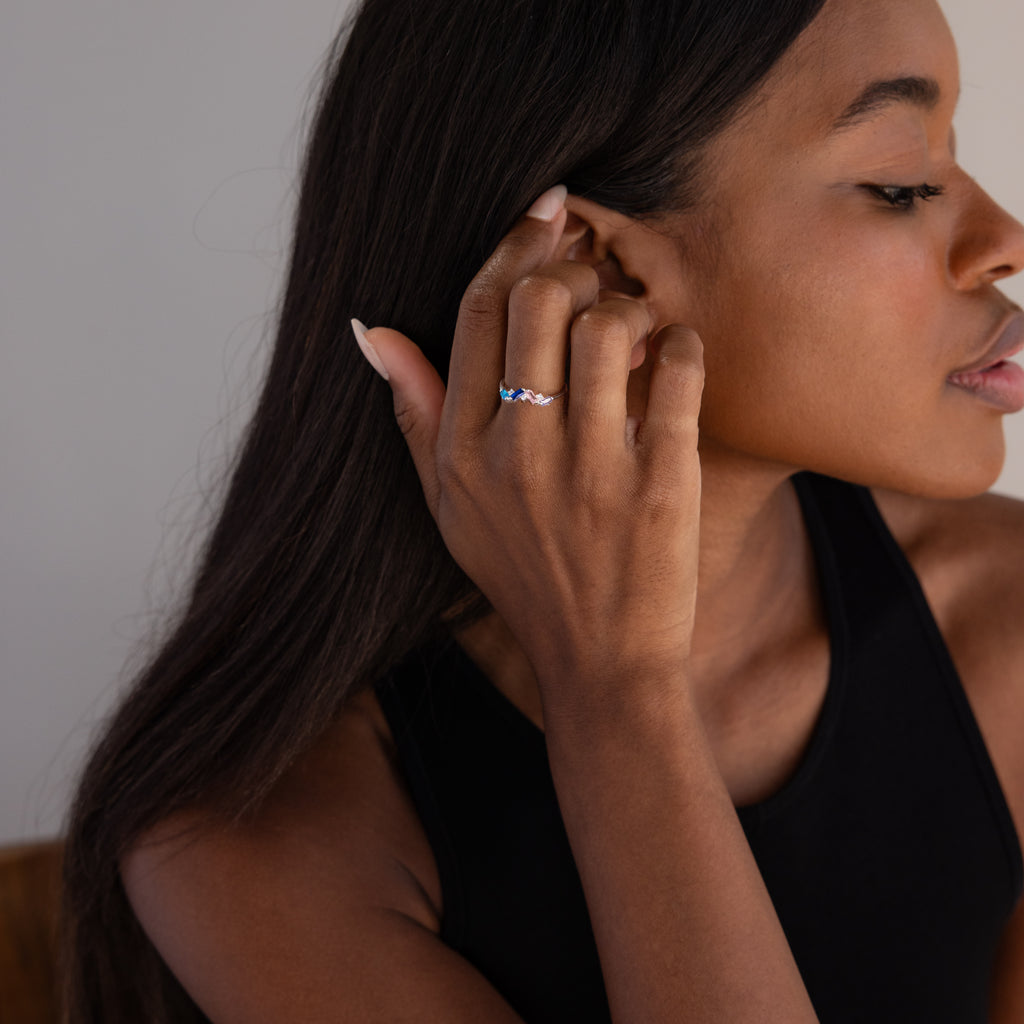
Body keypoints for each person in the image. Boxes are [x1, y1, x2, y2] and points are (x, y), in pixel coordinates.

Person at [60, 0, 1024, 1020]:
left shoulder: (998, 622)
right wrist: (619, 691)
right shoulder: (253, 825)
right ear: (602, 267)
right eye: (902, 184)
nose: (1002, 240)